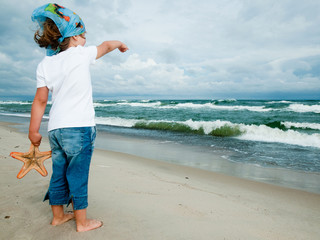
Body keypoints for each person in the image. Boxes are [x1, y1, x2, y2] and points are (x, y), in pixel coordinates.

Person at [29, 3, 128, 232]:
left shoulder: (45, 64)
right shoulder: (81, 54)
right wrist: (120, 43)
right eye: (83, 34)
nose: (85, 39)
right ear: (73, 38)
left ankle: (58, 216)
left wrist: (34, 131)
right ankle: (82, 223)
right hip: (79, 128)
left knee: (59, 173)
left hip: (56, 130)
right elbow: (105, 46)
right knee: (78, 174)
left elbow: (40, 101)